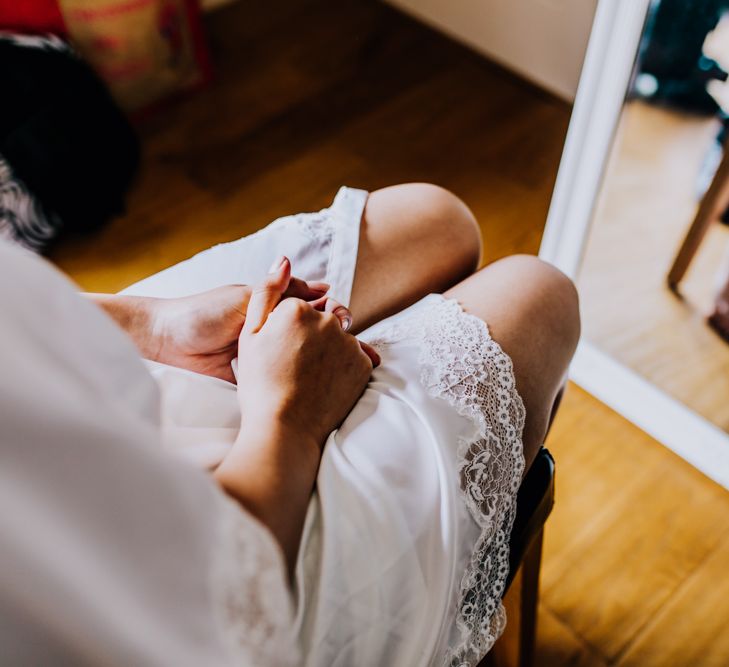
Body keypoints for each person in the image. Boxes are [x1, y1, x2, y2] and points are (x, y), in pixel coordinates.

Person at [0, 183, 579, 666]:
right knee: (537, 292)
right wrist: (290, 415)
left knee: (435, 220)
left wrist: (151, 325)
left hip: (65, 372)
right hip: (237, 571)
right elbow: (207, 603)